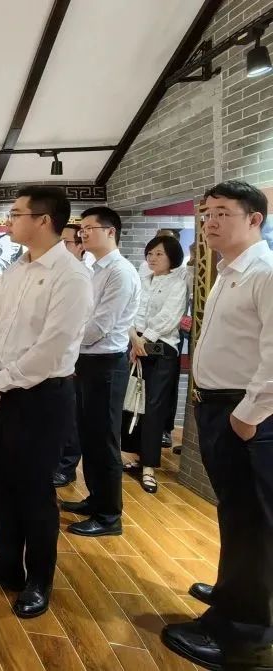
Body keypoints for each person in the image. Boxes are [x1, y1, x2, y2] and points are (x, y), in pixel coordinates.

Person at [0, 186, 92, 619]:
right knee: (2, 481)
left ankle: (39, 580)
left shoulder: (71, 276)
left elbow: (52, 348)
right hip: (3, 390)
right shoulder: (17, 268)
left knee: (34, 490)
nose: (9, 222)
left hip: (42, 396)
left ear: (44, 220)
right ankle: (6, 563)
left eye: (16, 214)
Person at [162, 181, 273, 671]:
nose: (210, 221)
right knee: (236, 514)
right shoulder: (231, 271)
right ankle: (233, 595)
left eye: (223, 212)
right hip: (222, 407)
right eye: (206, 212)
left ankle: (243, 639)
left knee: (253, 525)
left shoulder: (265, 273)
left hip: (248, 413)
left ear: (255, 219)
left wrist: (247, 417)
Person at [62, 207, 140, 538]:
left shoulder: (120, 272)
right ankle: (96, 499)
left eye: (89, 228)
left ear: (110, 232)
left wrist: (63, 338)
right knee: (89, 436)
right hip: (87, 360)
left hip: (106, 363)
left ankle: (109, 516)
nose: (82, 234)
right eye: (81, 229)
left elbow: (99, 326)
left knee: (105, 440)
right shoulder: (94, 269)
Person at [121, 235, 188, 494]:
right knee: (133, 403)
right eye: (150, 253)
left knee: (153, 407)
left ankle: (149, 466)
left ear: (172, 257)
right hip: (135, 346)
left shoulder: (178, 282)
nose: (152, 258)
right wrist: (133, 338)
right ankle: (136, 456)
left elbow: (170, 317)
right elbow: (129, 310)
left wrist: (143, 340)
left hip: (161, 349)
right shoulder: (142, 279)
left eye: (159, 254)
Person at [53, 223, 91, 488]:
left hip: (78, 355)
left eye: (66, 243)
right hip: (60, 357)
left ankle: (67, 466)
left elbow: (86, 324)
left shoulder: (82, 276)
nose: (61, 248)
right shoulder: (58, 274)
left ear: (80, 246)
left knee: (73, 416)